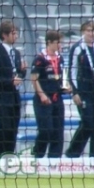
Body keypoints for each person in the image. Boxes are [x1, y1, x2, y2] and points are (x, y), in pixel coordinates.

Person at [65, 20, 94, 158]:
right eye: (88, 30)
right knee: (88, 122)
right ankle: (72, 153)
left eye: (93, 30)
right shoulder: (77, 48)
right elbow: (71, 71)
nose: (91, 33)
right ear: (83, 32)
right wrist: (75, 92)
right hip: (84, 91)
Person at [0, 20, 26, 155]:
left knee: (13, 129)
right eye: (13, 33)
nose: (16, 36)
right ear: (4, 35)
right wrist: (11, 81)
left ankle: (8, 155)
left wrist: (23, 71)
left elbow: (18, 75)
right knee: (5, 128)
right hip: (1, 98)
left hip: (14, 98)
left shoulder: (17, 53)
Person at [30, 30, 67, 158]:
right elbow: (34, 78)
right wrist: (42, 95)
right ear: (49, 42)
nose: (59, 45)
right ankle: (37, 155)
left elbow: (61, 76)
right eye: (57, 42)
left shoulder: (60, 58)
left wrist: (65, 87)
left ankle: (54, 160)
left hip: (57, 99)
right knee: (46, 130)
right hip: (43, 101)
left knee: (58, 132)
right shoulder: (40, 59)